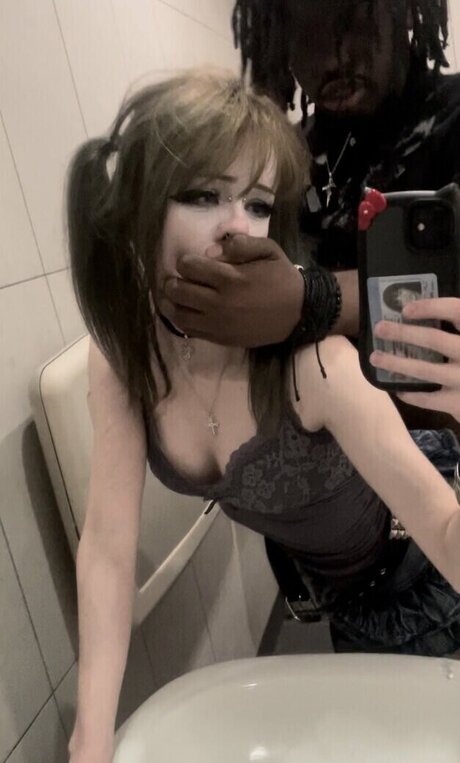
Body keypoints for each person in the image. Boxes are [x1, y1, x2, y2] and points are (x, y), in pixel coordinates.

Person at [66, 68, 460, 763]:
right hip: (347, 600)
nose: (236, 228)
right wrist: (89, 738)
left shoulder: (315, 367)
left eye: (257, 204)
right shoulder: (126, 356)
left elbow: (441, 523)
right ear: (137, 205)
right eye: (203, 195)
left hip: (423, 573)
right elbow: (106, 545)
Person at [156, 0, 460, 425]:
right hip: (313, 430)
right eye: (305, 39)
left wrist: (312, 301)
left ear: (406, 11)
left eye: (351, 26)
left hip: (436, 426)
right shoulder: (288, 149)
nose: (333, 60)